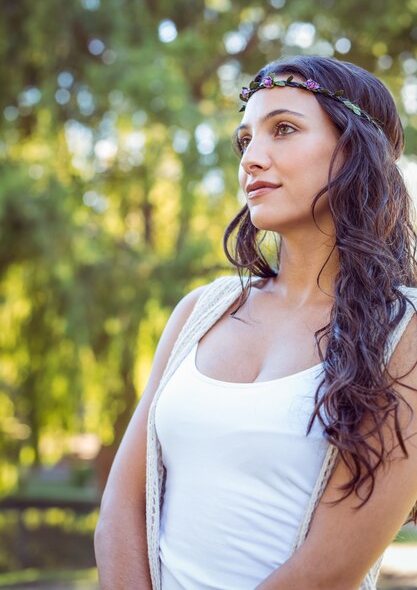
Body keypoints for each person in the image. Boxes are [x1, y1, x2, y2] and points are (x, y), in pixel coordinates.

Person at [94, 55, 417, 590]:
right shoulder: (200, 313)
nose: (252, 158)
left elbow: (327, 573)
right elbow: (121, 509)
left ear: (356, 151)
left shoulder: (404, 331)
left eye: (283, 130)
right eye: (245, 141)